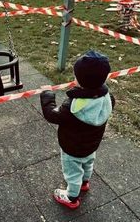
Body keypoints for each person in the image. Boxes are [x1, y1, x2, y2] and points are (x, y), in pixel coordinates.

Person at [40, 50, 115, 209]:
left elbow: (52, 115)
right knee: (88, 162)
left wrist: (47, 95)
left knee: (72, 172)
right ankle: (84, 182)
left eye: (76, 76)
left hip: (72, 148)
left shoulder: (74, 107)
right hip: (91, 145)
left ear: (80, 80)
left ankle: (71, 197)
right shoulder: (108, 98)